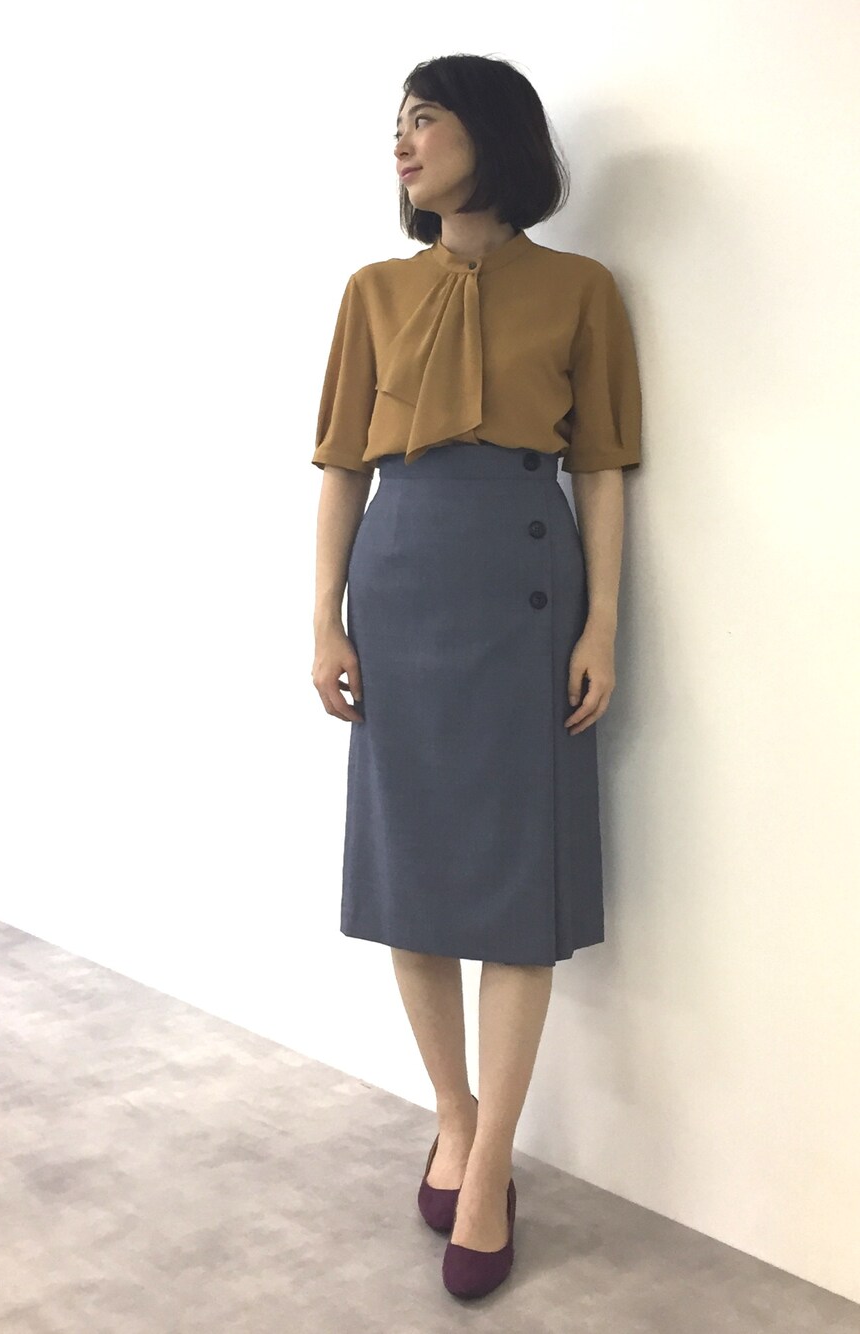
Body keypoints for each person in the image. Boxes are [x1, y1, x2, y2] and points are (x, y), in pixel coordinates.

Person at [310, 53, 642, 1299]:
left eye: (426, 120)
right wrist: (324, 618)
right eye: (396, 124)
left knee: (512, 882)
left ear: (489, 135)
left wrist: (601, 622)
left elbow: (599, 466)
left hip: (523, 594)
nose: (402, 143)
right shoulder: (372, 291)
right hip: (399, 588)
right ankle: (451, 1113)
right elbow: (342, 466)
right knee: (413, 874)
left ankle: (490, 1160)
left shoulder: (581, 289)